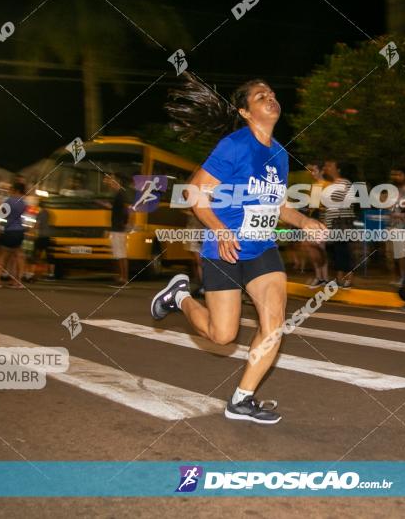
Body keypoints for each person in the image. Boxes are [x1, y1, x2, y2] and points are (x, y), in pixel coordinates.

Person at [152, 73, 325, 425]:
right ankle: (180, 296)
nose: (271, 98)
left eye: (273, 92)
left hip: (261, 248)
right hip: (224, 248)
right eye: (261, 96)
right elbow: (195, 192)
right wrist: (220, 230)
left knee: (274, 323)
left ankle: (242, 399)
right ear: (246, 112)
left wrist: (304, 221)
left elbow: (276, 206)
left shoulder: (279, 154)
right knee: (223, 335)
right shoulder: (234, 145)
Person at [322, 159, 356, 288]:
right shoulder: (330, 184)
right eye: (326, 165)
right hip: (332, 221)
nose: (326, 167)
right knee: (335, 251)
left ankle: (348, 278)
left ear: (338, 169)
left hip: (342, 222)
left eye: (329, 165)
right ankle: (339, 277)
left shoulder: (345, 183)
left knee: (343, 250)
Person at [0, 181, 28, 289]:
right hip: (19, 231)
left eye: (11, 189)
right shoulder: (24, 203)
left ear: (16, 190)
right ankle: (18, 281)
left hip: (9, 230)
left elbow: (2, 214)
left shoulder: (9, 201)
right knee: (18, 255)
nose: (10, 191)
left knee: (2, 255)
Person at [106, 174, 130, 286]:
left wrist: (122, 224)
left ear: (117, 183)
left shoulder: (120, 195)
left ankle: (124, 278)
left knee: (121, 254)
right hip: (118, 227)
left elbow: (125, 211)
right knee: (119, 253)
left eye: (112, 182)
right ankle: (122, 276)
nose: (110, 184)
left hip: (118, 228)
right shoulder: (119, 195)